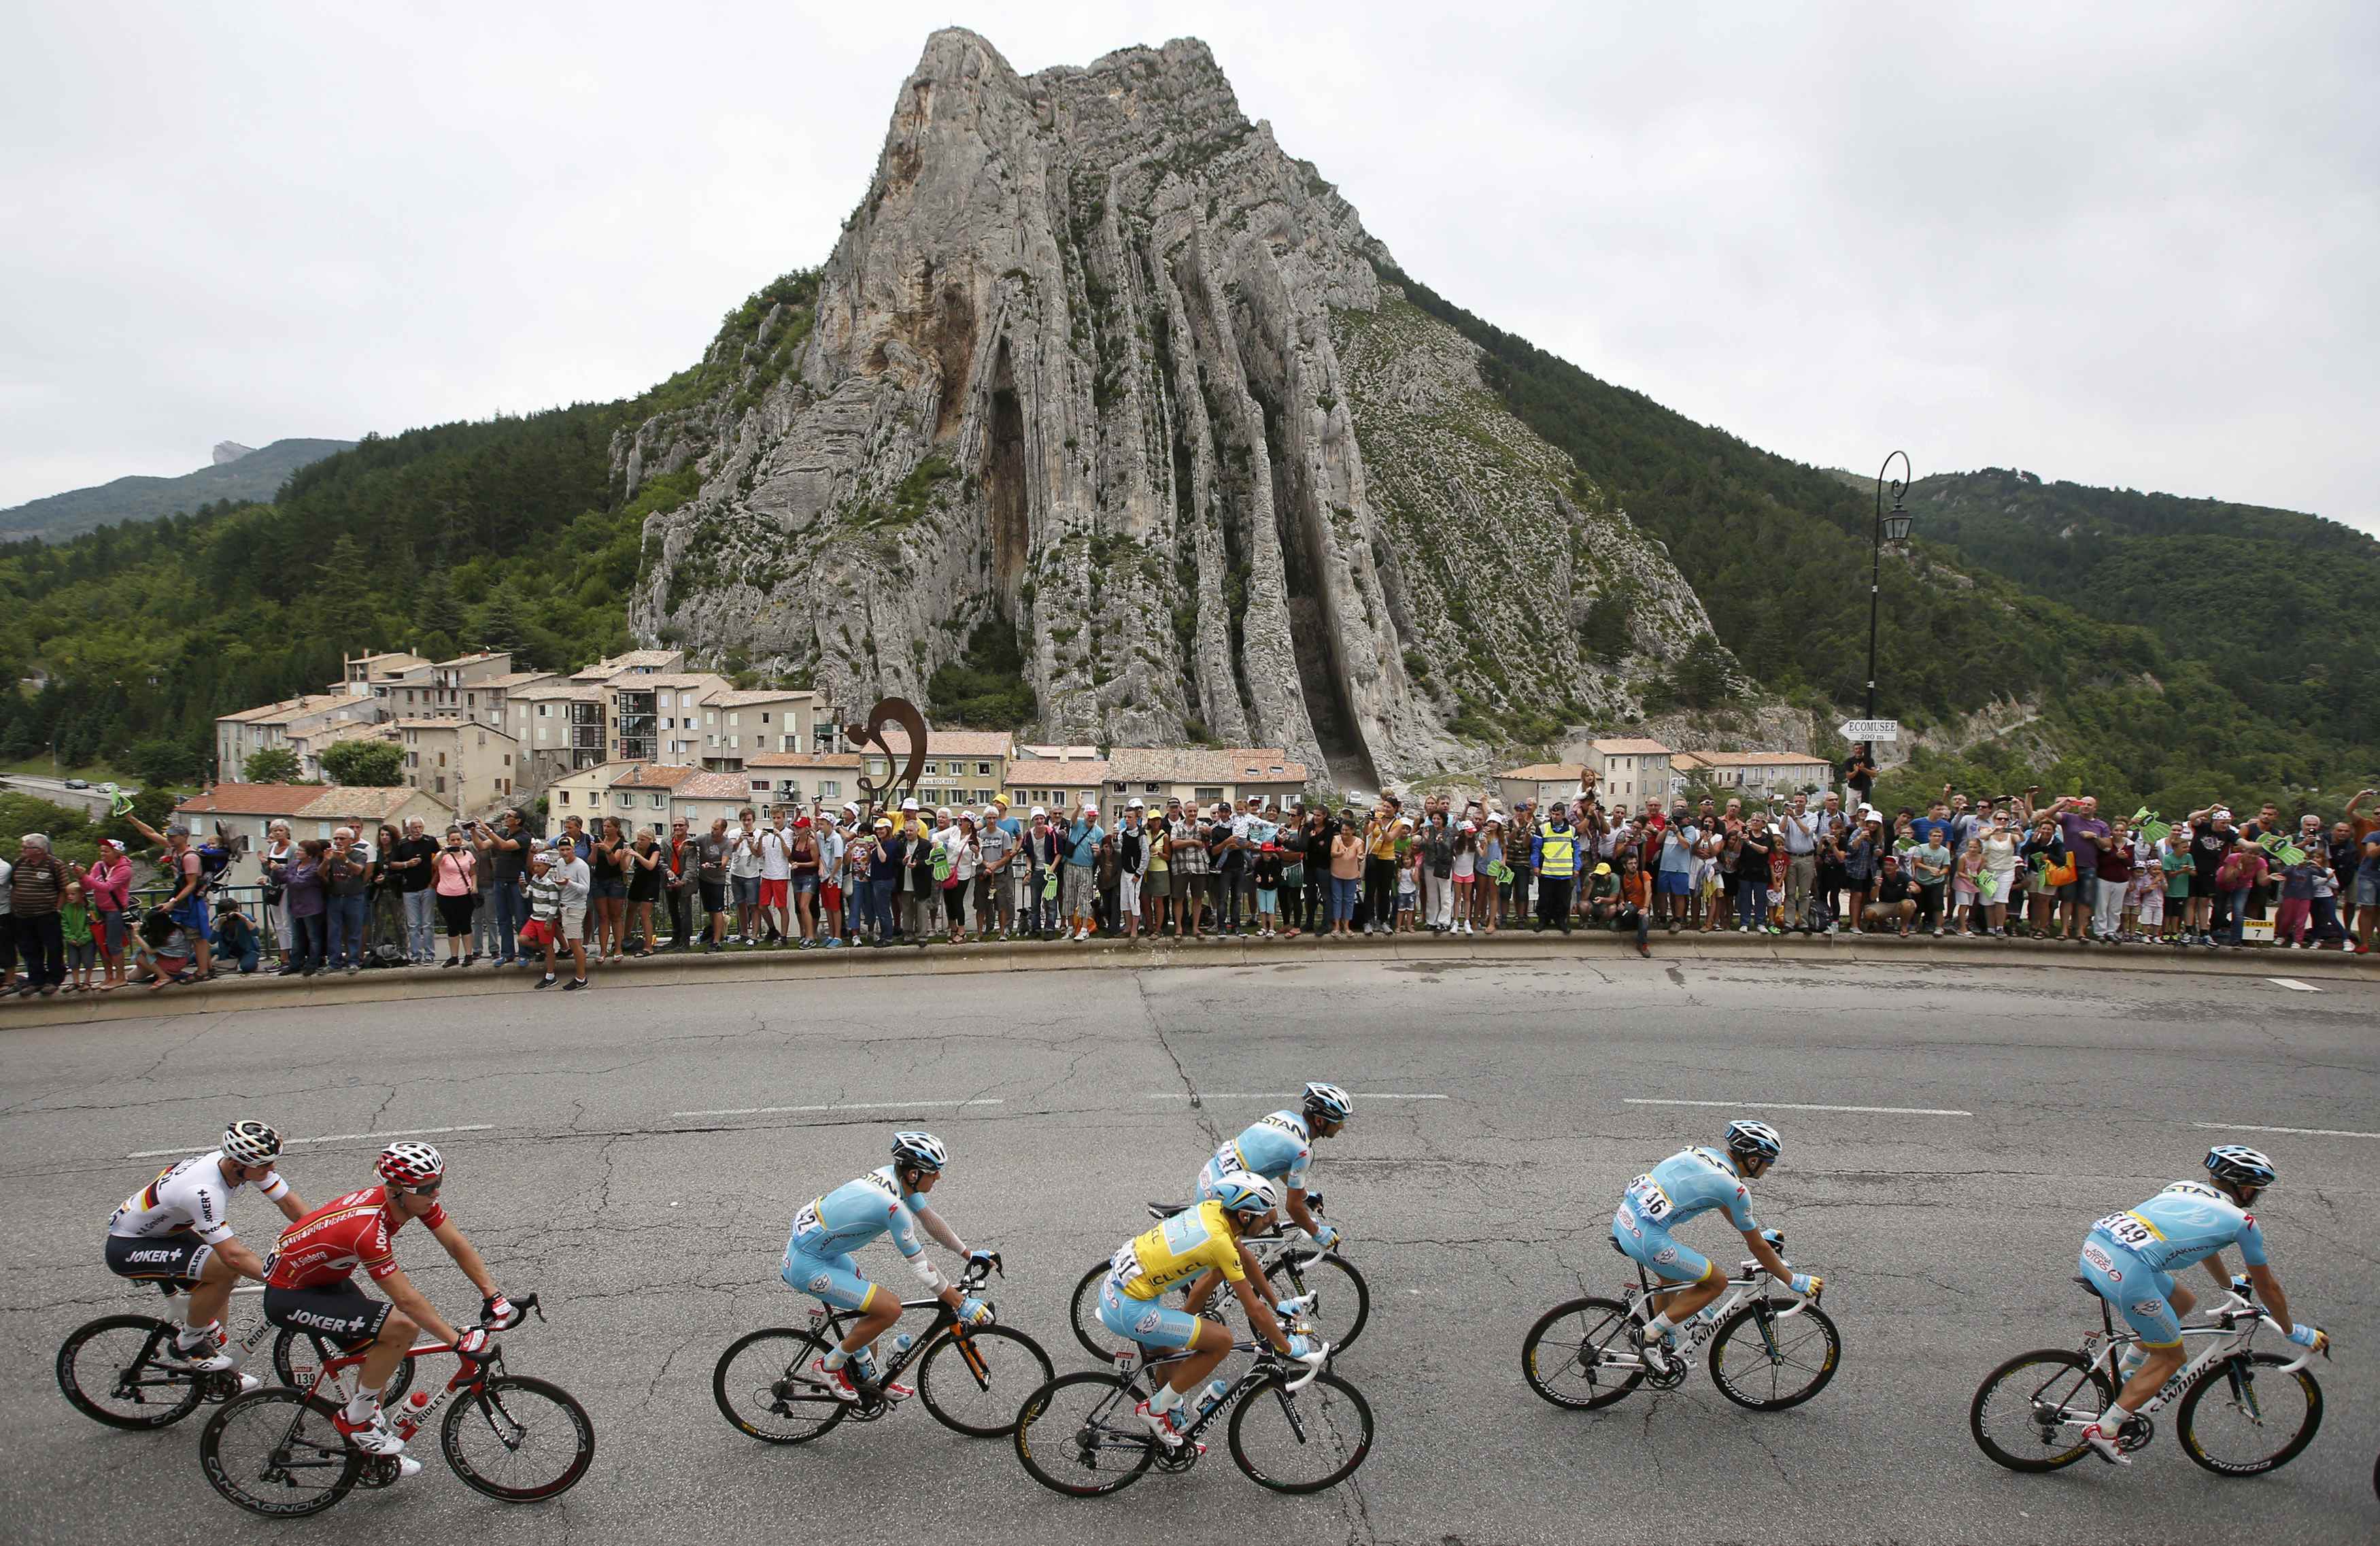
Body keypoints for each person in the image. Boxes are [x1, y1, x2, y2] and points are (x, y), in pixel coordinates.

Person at [263, 1143, 513, 1468]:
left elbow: (455, 1243)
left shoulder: (409, 1202)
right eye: (426, 1188)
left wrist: (493, 1296)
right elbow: (406, 1300)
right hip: (290, 1293)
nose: (435, 1193)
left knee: (380, 1354)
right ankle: (355, 1421)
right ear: (396, 1191)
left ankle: (366, 1442)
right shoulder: (368, 1230)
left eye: (438, 1183)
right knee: (401, 1328)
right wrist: (456, 1340)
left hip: (320, 1280)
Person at [2073, 1146, 2324, 1465]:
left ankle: (2128, 1368)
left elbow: (2207, 1245)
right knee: (2171, 1356)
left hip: (2097, 1250)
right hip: (2131, 1273)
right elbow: (2269, 1287)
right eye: (2257, 1191)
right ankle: (2107, 1429)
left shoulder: (2179, 1187)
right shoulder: (2243, 1221)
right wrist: (2293, 1331)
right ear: (2246, 1188)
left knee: (2182, 1301)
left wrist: (2228, 1286)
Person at [1097, 1172, 1320, 1448]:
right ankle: (1154, 1409)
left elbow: (1239, 1260)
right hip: (1131, 1309)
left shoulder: (1213, 1212)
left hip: (1117, 1291)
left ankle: (1169, 1405)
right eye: (1265, 1217)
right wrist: (1286, 1347)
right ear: (1245, 1216)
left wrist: (1277, 1303)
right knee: (1221, 1341)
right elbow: (1254, 1310)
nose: (1271, 1222)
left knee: (1172, 1352)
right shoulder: (1219, 1243)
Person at [780, 1132, 995, 1402]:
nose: (938, 1177)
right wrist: (960, 1302)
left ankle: (873, 1383)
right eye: (934, 1172)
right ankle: (830, 1365)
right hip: (808, 1266)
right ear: (914, 1174)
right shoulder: (892, 1206)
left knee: (871, 1310)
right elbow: (920, 1266)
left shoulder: (894, 1179)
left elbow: (930, 1221)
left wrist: (969, 1254)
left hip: (822, 1253)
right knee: (889, 1309)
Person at [105, 1120, 309, 1385]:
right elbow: (233, 1255)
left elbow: (289, 1203)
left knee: (216, 1297)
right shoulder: (205, 1191)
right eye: (265, 1164)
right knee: (225, 1270)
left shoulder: (237, 1165)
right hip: (130, 1245)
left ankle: (211, 1371)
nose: (272, 1168)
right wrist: (283, 1281)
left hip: (165, 1233)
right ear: (238, 1164)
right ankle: (188, 1344)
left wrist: (325, 1235)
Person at [1612, 1121, 1819, 1374]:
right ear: (1753, 1160)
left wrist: (1755, 1233)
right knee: (1716, 1282)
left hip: (1625, 1220)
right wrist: (1792, 1280)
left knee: (1669, 1277)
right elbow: (1758, 1248)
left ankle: (1664, 1337)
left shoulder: (1704, 1154)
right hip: (1648, 1239)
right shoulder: (1736, 1189)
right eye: (1768, 1162)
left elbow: (1727, 1207)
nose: (1768, 1168)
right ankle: (1648, 1336)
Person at [124, 813, 215, 982]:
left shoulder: (190, 857)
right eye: (169, 836)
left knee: (198, 938)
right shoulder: (175, 850)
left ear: (185, 837)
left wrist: (173, 902)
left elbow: (191, 884)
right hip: (184, 901)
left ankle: (203, 972)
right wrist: (132, 818)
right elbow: (151, 833)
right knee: (195, 936)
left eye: (174, 836)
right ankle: (207, 968)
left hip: (192, 902)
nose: (170, 839)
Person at [477, 810, 532, 967]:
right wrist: (474, 831)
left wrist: (487, 830)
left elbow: (505, 846)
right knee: (503, 919)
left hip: (517, 881)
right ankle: (507, 953)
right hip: (500, 880)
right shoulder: (502, 832)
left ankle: (525, 954)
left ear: (518, 821)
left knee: (521, 919)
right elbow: (481, 846)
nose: (506, 818)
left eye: (509, 816)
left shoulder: (524, 836)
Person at [388, 818, 439, 967]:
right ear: (408, 828)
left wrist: (433, 884)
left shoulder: (431, 841)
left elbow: (440, 860)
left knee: (428, 923)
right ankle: (416, 955)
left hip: (428, 888)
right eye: (415, 827)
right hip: (409, 890)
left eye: (420, 827)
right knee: (413, 924)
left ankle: (429, 955)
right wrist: (407, 864)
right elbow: (392, 864)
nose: (418, 830)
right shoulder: (401, 844)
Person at [86, 837, 134, 989]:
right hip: (100, 909)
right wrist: (82, 879)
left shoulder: (125, 869)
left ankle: (120, 977)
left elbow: (107, 887)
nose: (102, 854)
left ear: (116, 853)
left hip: (115, 910)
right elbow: (89, 885)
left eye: (106, 851)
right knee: (102, 943)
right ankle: (108, 977)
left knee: (114, 944)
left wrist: (84, 877)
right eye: (101, 850)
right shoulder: (98, 866)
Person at [431, 825, 480, 966]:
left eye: (458, 839)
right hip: (445, 894)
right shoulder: (444, 856)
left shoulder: (468, 855)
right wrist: (442, 853)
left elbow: (473, 873)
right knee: (452, 925)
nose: (456, 842)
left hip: (464, 894)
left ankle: (469, 955)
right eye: (453, 840)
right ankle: (453, 956)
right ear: (448, 841)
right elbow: (435, 863)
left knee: (465, 924)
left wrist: (474, 885)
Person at [520, 847, 569, 988]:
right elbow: (526, 895)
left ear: (547, 867)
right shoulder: (535, 879)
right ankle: (545, 947)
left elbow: (554, 905)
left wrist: (549, 922)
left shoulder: (550, 884)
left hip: (544, 919)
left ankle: (550, 975)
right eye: (534, 866)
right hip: (535, 917)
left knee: (548, 948)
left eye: (539, 866)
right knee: (523, 939)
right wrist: (522, 887)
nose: (535, 869)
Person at [553, 833, 592, 990]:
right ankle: (565, 951)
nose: (565, 852)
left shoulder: (582, 866)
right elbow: (561, 884)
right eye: (562, 849)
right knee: (570, 941)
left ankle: (581, 978)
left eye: (568, 849)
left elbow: (585, 889)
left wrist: (569, 883)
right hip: (563, 905)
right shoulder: (560, 863)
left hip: (575, 907)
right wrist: (559, 884)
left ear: (573, 849)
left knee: (576, 944)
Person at [1062, 801, 1103, 942]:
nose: (1092, 818)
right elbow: (1072, 819)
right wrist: (1078, 807)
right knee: (1069, 897)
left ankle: (1085, 929)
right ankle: (1070, 928)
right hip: (1070, 865)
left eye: (1094, 816)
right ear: (1085, 815)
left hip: (1086, 868)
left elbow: (1098, 856)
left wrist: (1098, 852)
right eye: (1089, 816)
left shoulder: (1099, 832)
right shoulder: (1077, 823)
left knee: (1085, 899)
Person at [624, 824, 663, 954]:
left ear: (650, 840)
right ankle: (626, 938)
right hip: (638, 881)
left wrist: (638, 856)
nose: (639, 842)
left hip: (650, 882)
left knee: (645, 914)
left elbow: (651, 865)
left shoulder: (655, 849)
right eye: (638, 839)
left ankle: (648, 947)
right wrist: (625, 855)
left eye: (642, 840)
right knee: (630, 910)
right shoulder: (634, 846)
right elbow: (625, 867)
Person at [729, 809, 766, 945]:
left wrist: (751, 843)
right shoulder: (734, 833)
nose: (746, 823)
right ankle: (743, 934)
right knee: (740, 905)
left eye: (749, 820)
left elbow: (759, 854)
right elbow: (730, 849)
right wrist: (740, 840)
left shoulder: (759, 833)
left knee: (754, 906)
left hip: (752, 875)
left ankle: (754, 936)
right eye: (744, 820)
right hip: (736, 873)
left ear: (753, 820)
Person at [61, 875, 98, 992]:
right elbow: (64, 923)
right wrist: (69, 937)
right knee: (73, 962)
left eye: (73, 894)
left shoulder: (90, 907)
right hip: (72, 940)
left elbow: (93, 924)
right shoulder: (66, 908)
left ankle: (87, 981)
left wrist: (85, 937)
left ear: (81, 894)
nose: (70, 897)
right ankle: (75, 982)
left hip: (87, 940)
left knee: (88, 961)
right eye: (68, 895)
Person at [211, 896, 262, 974]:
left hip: (247, 950)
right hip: (227, 951)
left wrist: (245, 920)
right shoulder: (218, 921)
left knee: (247, 967)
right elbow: (212, 941)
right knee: (194, 957)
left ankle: (228, 963)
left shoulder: (244, 918)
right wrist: (218, 925)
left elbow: (256, 933)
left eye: (235, 911)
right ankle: (228, 962)